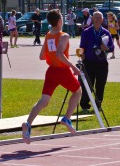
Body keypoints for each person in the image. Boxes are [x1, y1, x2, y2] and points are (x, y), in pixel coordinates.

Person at [22, 9, 82, 144]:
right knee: (78, 91)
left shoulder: (48, 35)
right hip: (63, 71)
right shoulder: (64, 36)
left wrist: (52, 54)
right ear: (60, 21)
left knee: (44, 100)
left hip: (51, 71)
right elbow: (60, 54)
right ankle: (67, 118)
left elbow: (42, 56)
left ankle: (28, 123)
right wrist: (73, 67)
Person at [79, 11, 114, 112]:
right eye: (96, 18)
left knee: (100, 85)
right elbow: (82, 46)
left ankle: (98, 105)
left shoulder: (106, 33)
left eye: (100, 18)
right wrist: (82, 56)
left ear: (102, 20)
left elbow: (112, 47)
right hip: (89, 62)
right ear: (92, 19)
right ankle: (85, 105)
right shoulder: (86, 32)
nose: (98, 19)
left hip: (102, 63)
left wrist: (106, 48)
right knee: (87, 85)